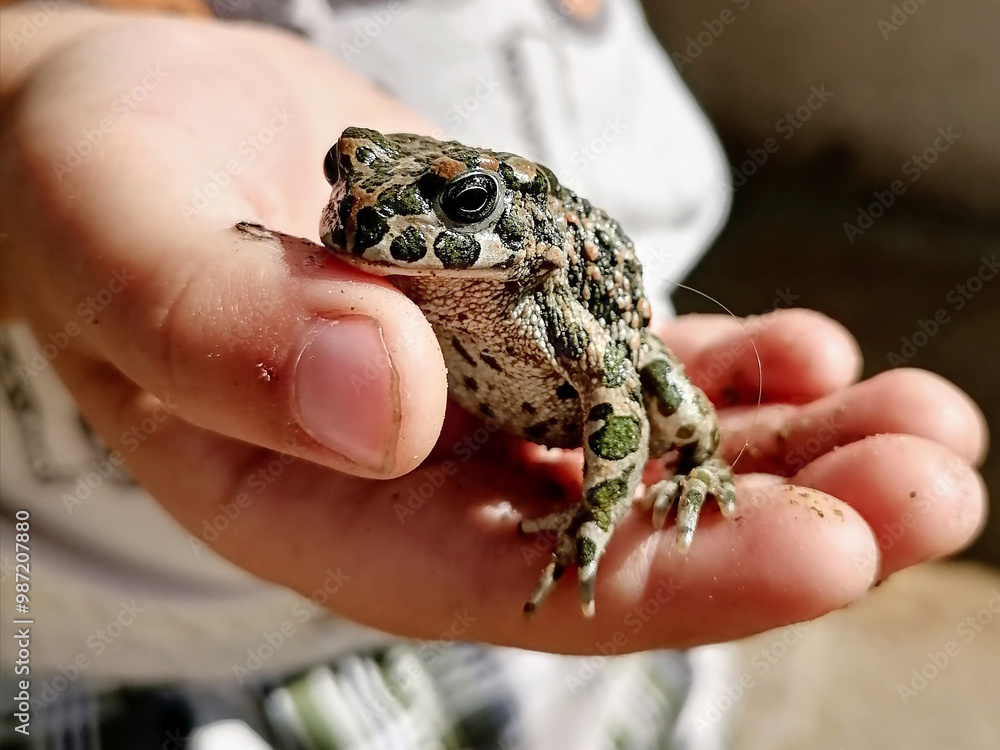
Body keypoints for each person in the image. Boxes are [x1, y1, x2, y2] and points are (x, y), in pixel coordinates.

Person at [0, 1, 988, 748]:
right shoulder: (385, 258)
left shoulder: (542, 291)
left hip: (550, 645)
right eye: (346, 180)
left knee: (664, 391)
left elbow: (615, 380)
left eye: (459, 206)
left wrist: (605, 507)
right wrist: (34, 73)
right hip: (99, 657)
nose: (359, 215)